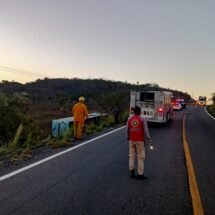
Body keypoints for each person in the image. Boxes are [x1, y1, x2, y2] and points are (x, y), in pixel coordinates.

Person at [127, 106, 153, 180]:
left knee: (131, 155)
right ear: (140, 112)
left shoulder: (129, 119)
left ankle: (132, 173)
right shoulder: (142, 119)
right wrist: (149, 140)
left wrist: (128, 137)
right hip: (140, 141)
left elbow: (127, 130)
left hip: (131, 140)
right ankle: (140, 174)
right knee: (140, 156)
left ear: (133, 111)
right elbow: (146, 131)